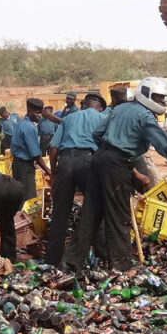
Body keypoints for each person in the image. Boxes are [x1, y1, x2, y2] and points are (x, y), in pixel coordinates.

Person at [65, 77, 167, 272]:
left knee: (91, 213)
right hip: (117, 165)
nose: (161, 103)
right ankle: (121, 266)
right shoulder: (145, 116)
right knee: (119, 216)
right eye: (158, 98)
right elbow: (164, 145)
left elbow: (97, 135)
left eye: (162, 99)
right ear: (146, 95)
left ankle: (70, 261)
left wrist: (109, 150)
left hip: (100, 159)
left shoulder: (120, 109)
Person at [45, 92, 105, 267]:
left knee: (59, 212)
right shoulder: (102, 118)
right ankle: (100, 254)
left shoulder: (69, 119)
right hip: (87, 160)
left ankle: (53, 260)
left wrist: (54, 173)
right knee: (94, 208)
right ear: (100, 107)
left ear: (84, 104)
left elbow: (53, 149)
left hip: (65, 161)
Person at [10, 98, 51, 203]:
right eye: (37, 113)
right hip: (24, 167)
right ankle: (26, 218)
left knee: (20, 196)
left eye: (41, 113)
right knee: (29, 198)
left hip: (17, 164)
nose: (40, 116)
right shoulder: (29, 127)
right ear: (29, 111)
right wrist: (48, 171)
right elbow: (36, 154)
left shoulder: (20, 123)